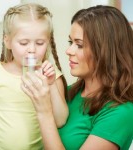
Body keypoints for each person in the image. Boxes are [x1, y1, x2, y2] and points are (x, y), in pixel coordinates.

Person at [21, 5, 133, 150]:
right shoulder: (67, 94)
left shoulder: (121, 112)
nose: (68, 51)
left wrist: (44, 113)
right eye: (70, 42)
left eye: (79, 45)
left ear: (105, 51)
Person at [0, 3, 68, 150]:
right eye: (23, 43)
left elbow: (60, 121)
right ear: (7, 41)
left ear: (47, 42)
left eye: (40, 43)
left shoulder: (51, 75)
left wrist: (51, 83)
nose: (32, 50)